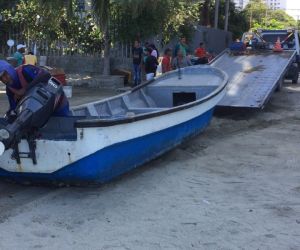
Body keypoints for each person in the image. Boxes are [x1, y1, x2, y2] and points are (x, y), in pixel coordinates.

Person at [0, 60, 69, 117]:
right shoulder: (10, 90)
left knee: (66, 128)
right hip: (42, 114)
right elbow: (14, 108)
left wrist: (25, 90)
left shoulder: (25, 70)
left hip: (58, 104)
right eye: (1, 78)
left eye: (5, 74)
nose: (5, 79)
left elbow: (46, 75)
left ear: (9, 69)